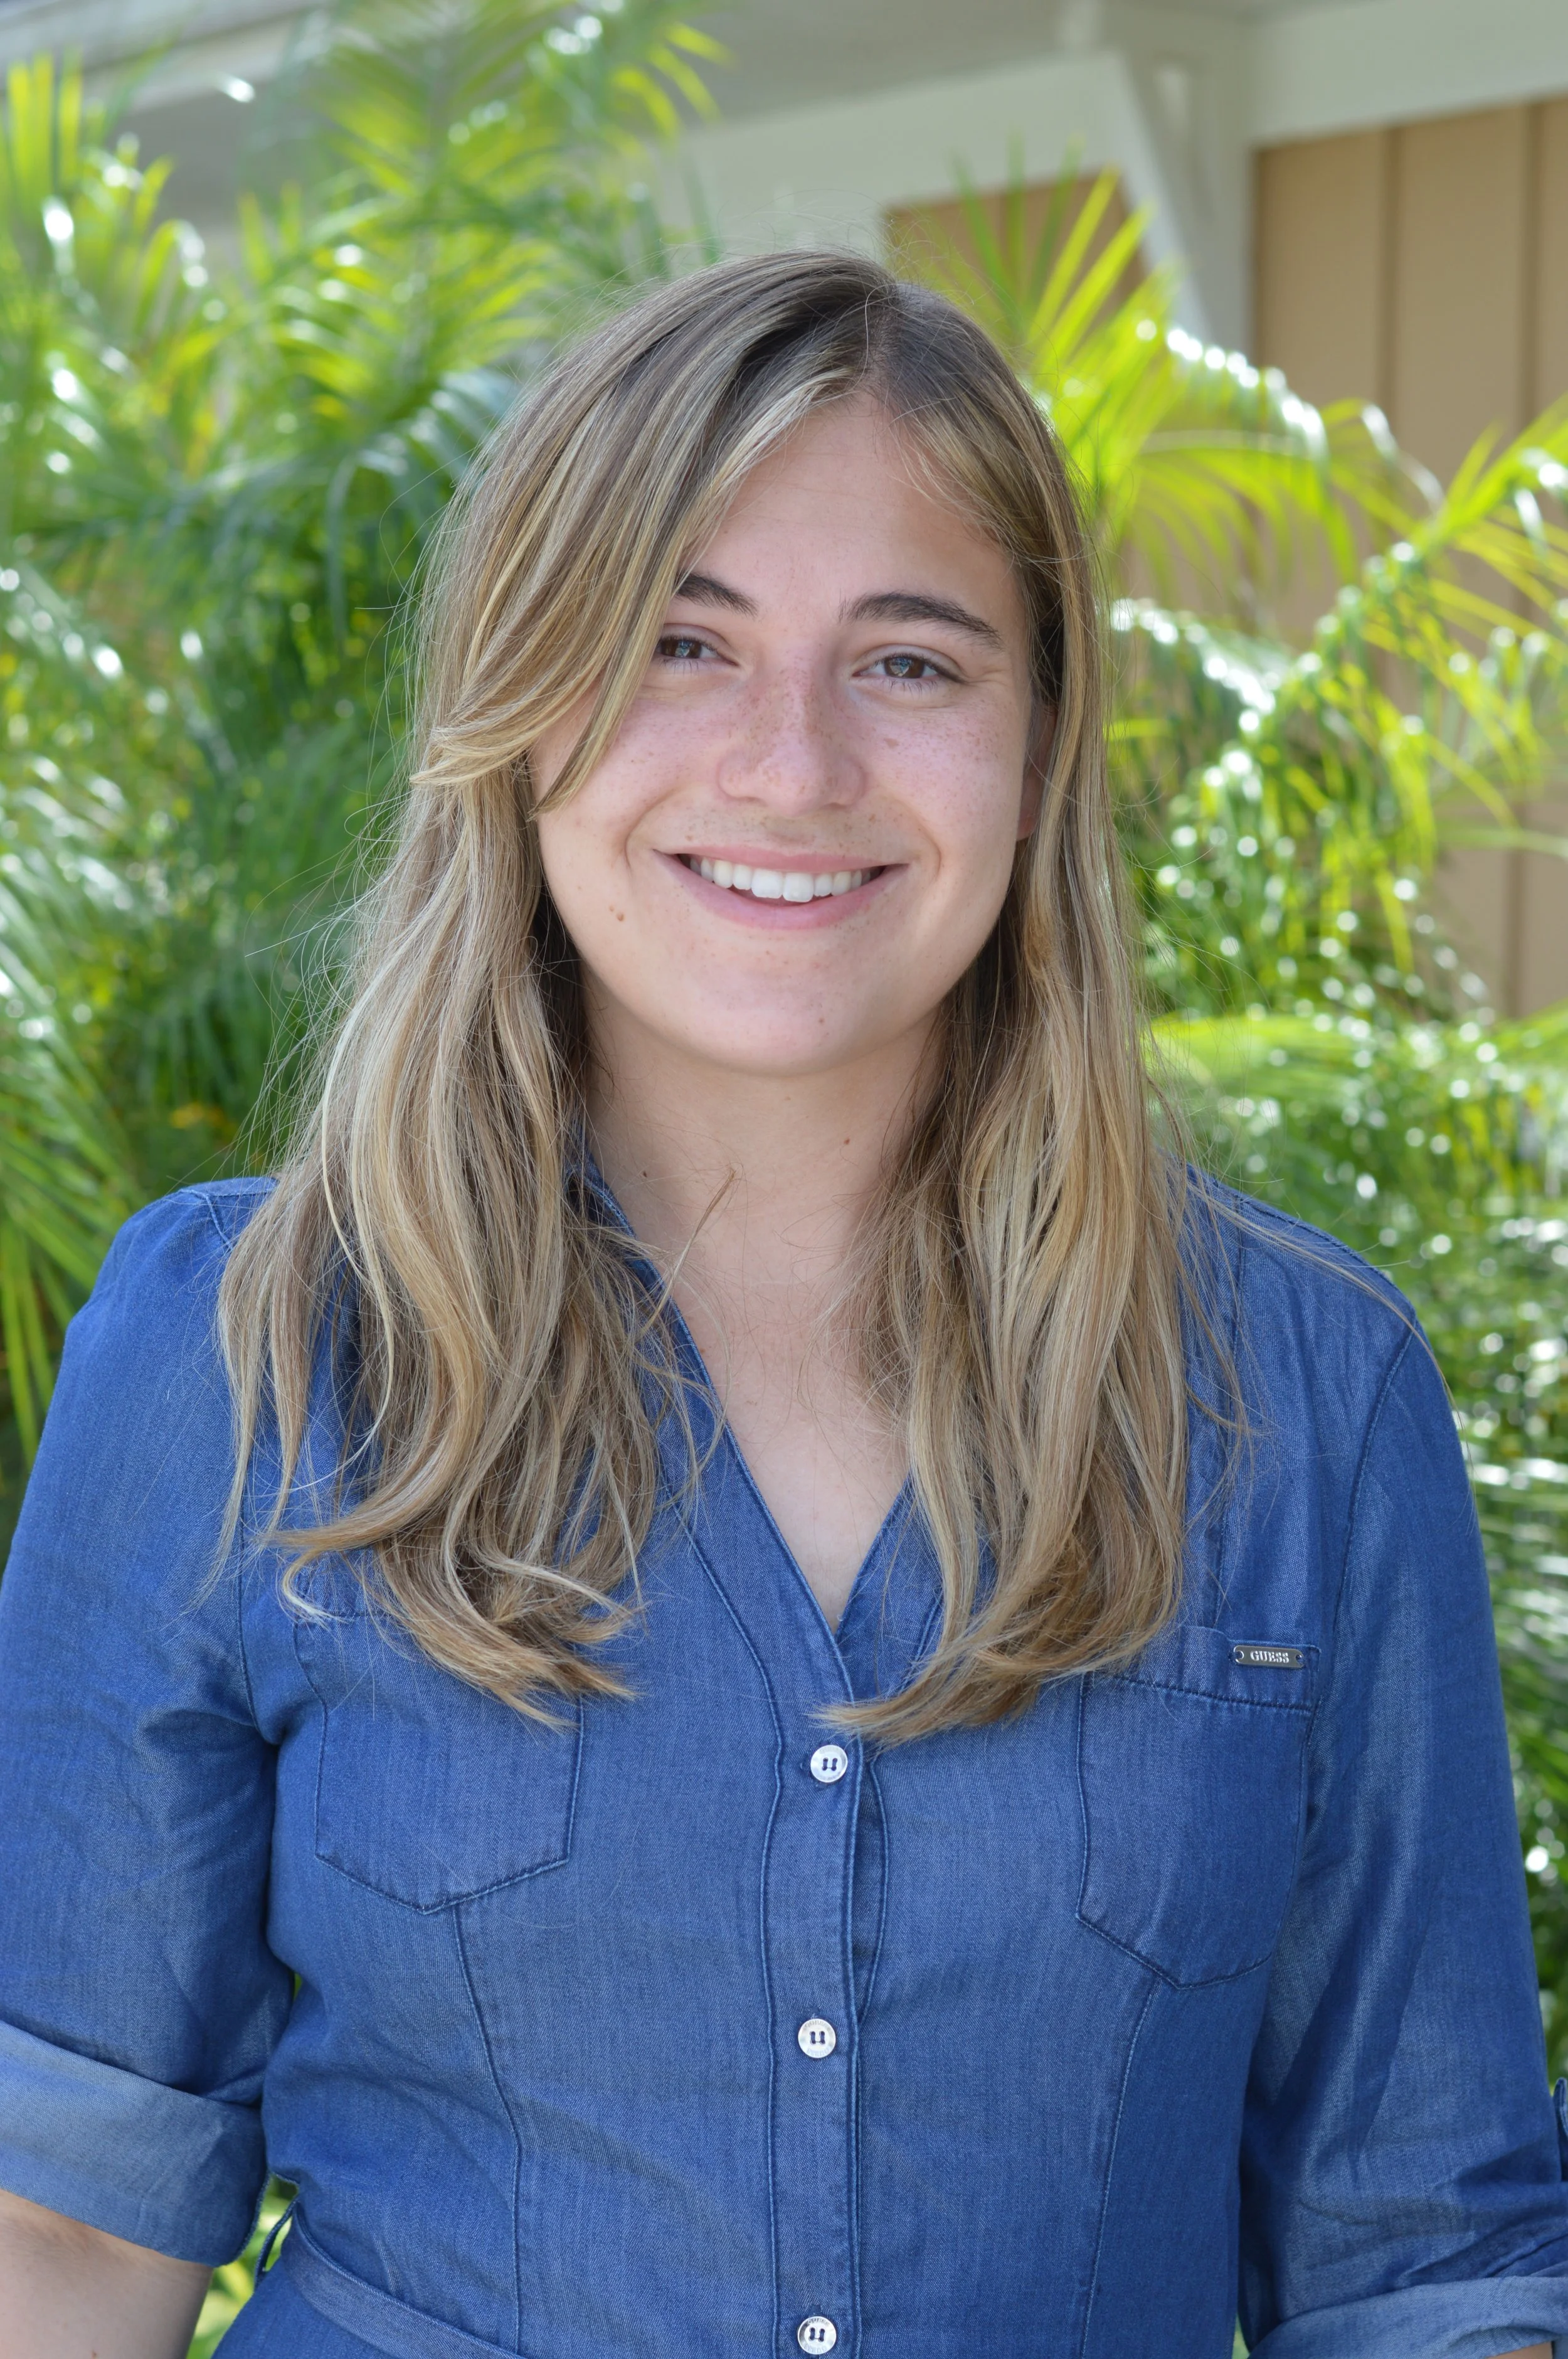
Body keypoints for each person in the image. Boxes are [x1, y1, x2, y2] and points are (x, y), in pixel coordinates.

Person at [0, 252, 1563, 2359]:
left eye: (908, 663)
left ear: (1036, 734)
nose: (789, 764)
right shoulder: (243, 1350)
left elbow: (1425, 2276)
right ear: (517, 706)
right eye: (677, 642)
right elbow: (67, 2240)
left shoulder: (1297, 1397)